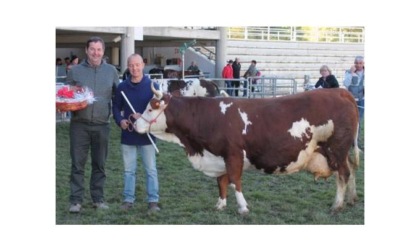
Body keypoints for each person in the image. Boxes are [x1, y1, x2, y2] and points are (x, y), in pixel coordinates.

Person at [66, 36, 120, 213]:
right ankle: (76, 201)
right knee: (77, 164)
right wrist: (67, 102)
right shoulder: (75, 71)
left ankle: (98, 199)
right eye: (92, 49)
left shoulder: (111, 71)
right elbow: (66, 95)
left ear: (103, 51)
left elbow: (118, 98)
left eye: (99, 49)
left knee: (99, 165)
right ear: (87, 50)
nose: (96, 53)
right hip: (79, 125)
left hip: (102, 125)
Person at [112, 54, 161, 212]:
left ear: (143, 64)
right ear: (128, 66)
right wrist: (121, 121)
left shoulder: (153, 86)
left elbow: (159, 110)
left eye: (137, 65)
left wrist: (145, 117)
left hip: (147, 135)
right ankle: (128, 200)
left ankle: (153, 201)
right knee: (129, 171)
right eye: (131, 65)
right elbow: (115, 108)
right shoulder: (122, 88)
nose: (134, 68)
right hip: (128, 134)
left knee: (151, 170)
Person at [343, 56, 365, 120]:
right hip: (351, 99)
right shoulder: (348, 72)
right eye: (356, 63)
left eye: (360, 63)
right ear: (354, 63)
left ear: (363, 63)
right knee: (350, 119)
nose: (358, 65)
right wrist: (351, 73)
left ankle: (358, 130)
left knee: (359, 119)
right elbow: (346, 84)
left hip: (362, 99)